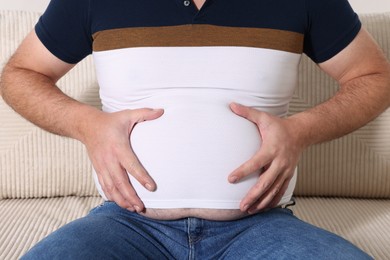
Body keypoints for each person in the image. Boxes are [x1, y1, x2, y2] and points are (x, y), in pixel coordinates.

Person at [1, 0, 389, 258]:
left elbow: (374, 77)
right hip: (124, 224)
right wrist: (87, 124)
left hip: (261, 226)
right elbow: (20, 75)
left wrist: (300, 130)